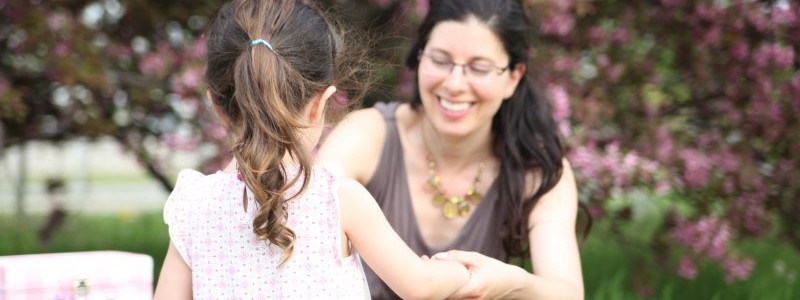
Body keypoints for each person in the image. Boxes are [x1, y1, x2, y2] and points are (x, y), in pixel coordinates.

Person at [152, 0, 470, 299]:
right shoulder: (337, 198)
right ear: (320, 103)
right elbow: (420, 285)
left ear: (217, 106)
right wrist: (460, 271)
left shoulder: (192, 205)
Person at [317, 0, 585, 298]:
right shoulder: (367, 134)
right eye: (441, 60)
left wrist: (514, 283)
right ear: (420, 59)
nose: (455, 84)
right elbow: (305, 224)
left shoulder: (537, 168)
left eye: (479, 68)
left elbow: (567, 293)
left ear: (513, 77)